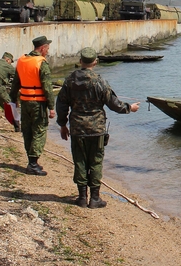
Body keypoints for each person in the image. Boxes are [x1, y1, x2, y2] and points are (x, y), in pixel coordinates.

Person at [57, 47, 139, 208]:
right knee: (95, 161)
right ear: (95, 62)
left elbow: (61, 104)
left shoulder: (69, 80)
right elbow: (114, 104)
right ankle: (95, 198)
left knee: (80, 160)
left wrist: (62, 124)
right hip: (96, 128)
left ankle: (81, 197)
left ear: (80, 61)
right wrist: (130, 108)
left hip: (77, 127)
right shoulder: (99, 81)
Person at [10, 36, 55, 176]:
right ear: (42, 48)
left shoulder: (22, 60)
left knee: (27, 131)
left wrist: (13, 99)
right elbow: (47, 87)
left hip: (25, 101)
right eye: (47, 48)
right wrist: (51, 107)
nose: (47, 51)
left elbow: (15, 82)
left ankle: (31, 160)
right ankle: (33, 164)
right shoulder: (41, 63)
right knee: (39, 131)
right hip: (38, 103)